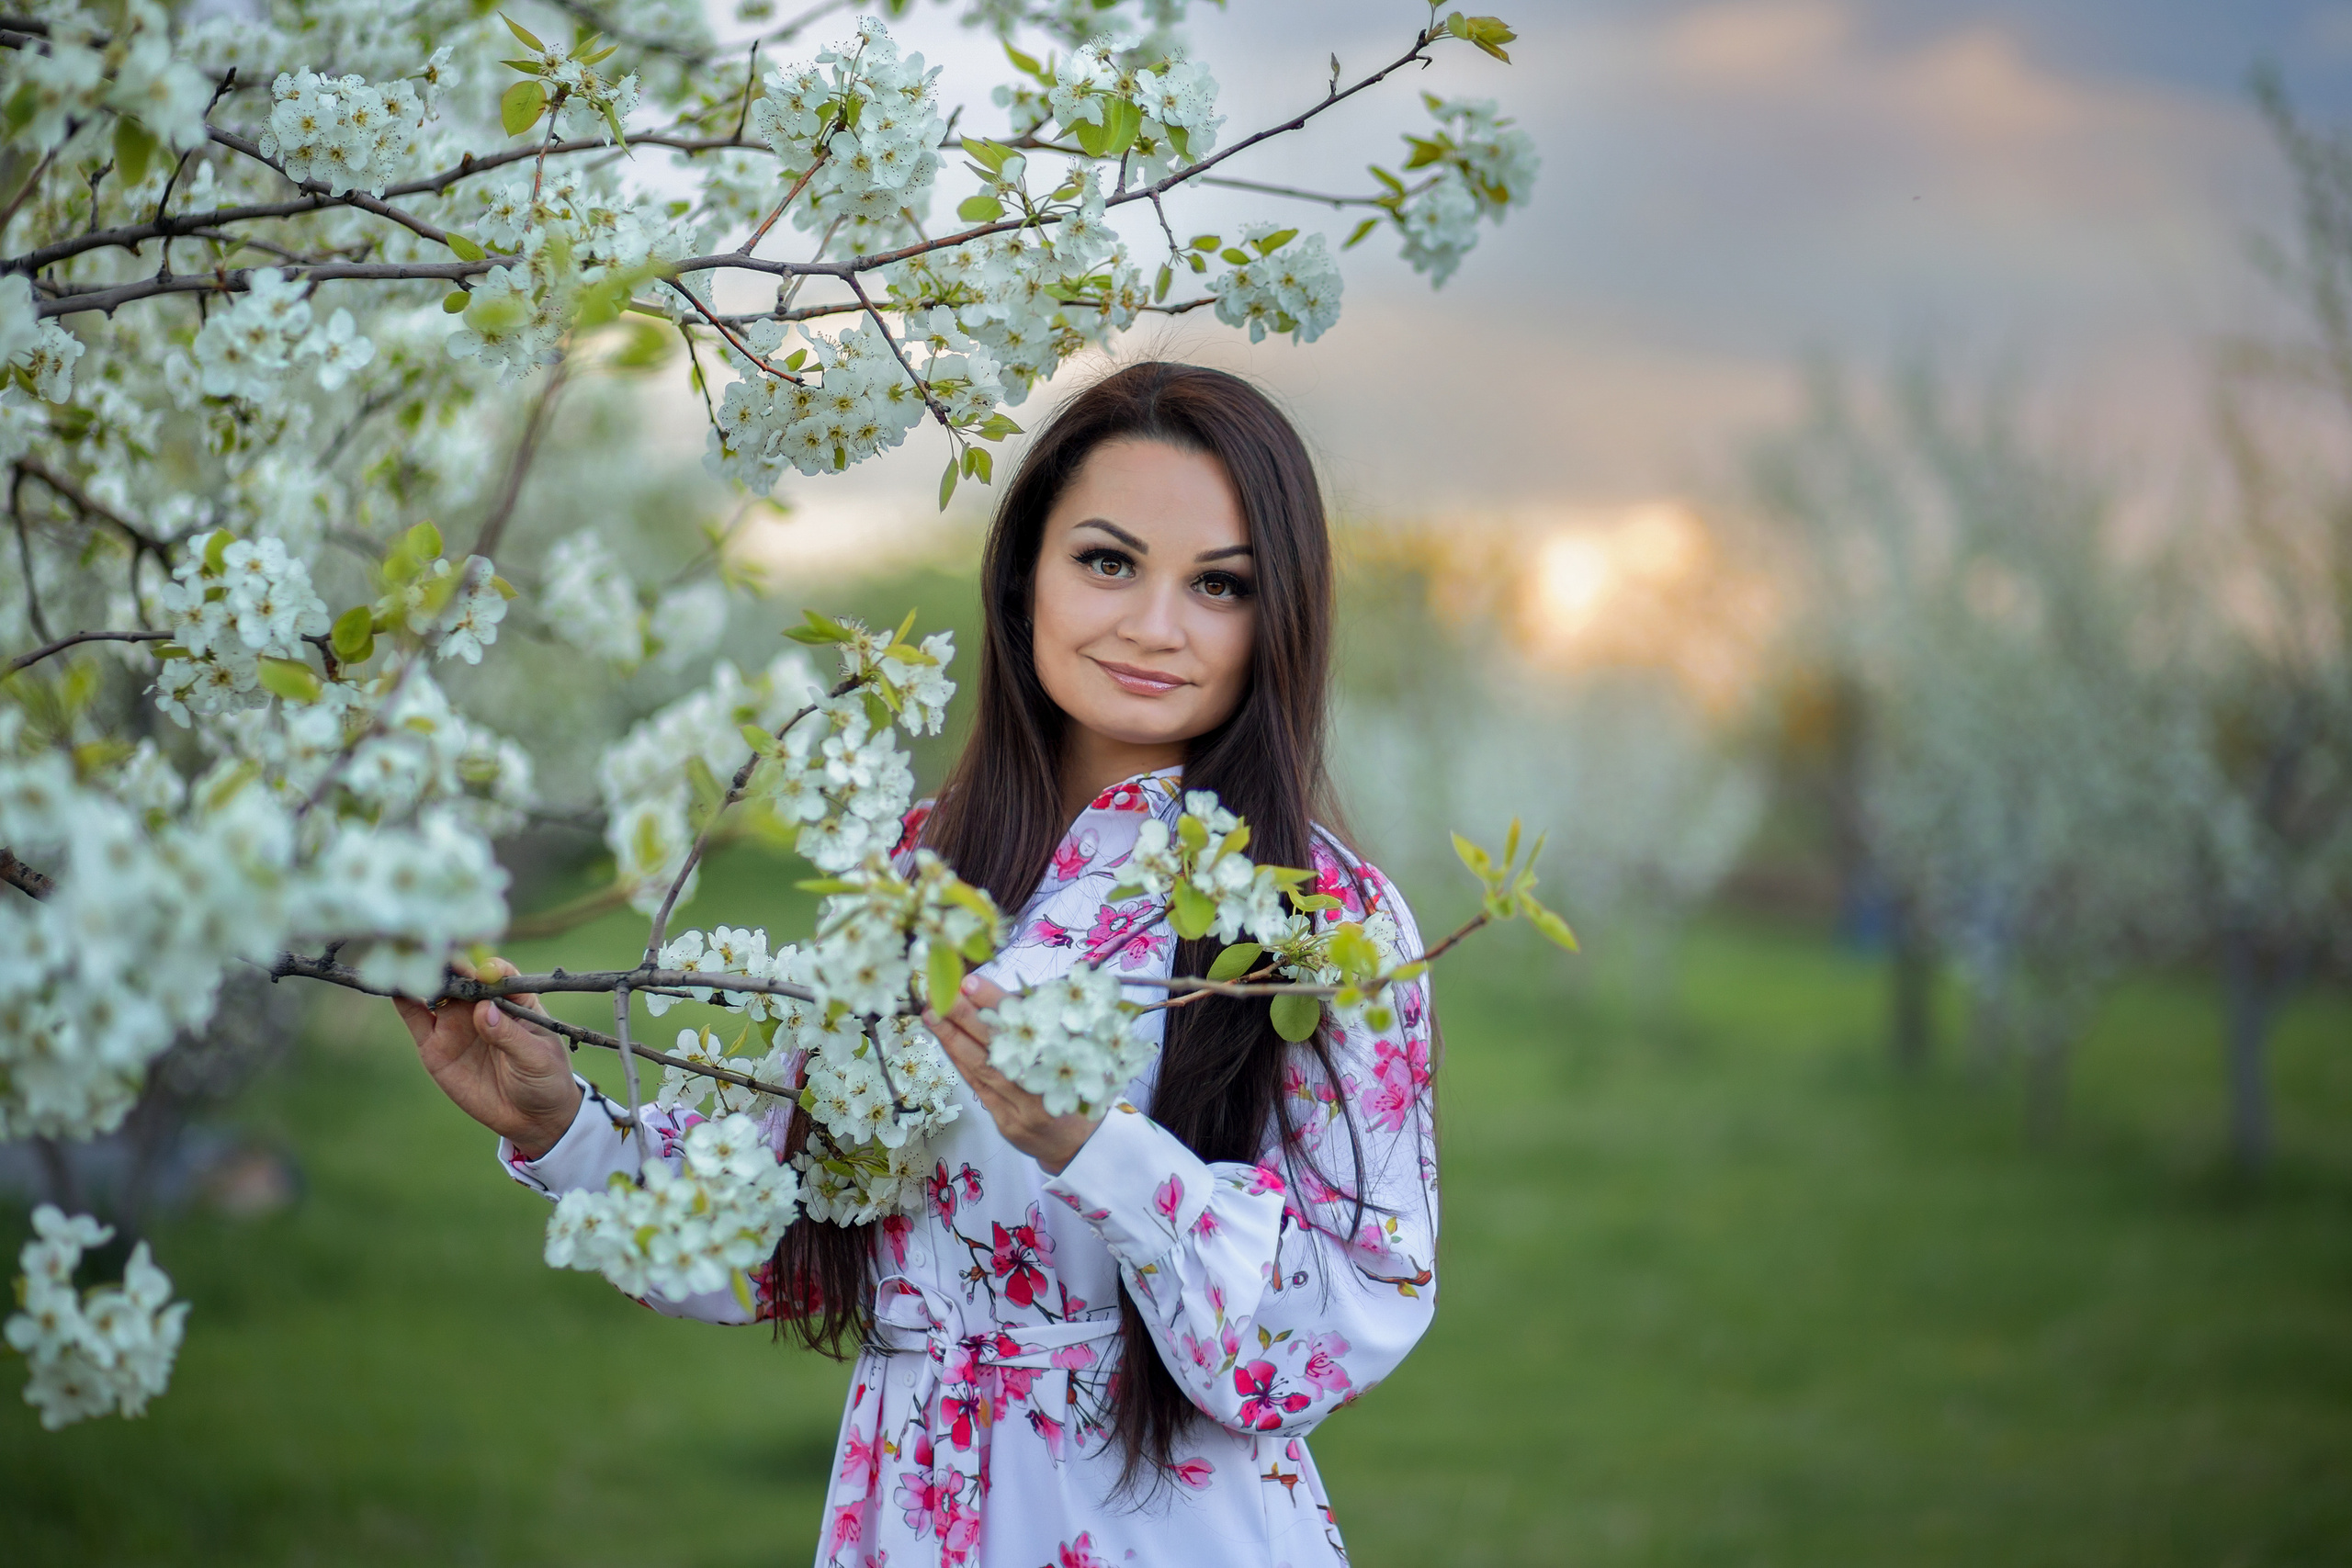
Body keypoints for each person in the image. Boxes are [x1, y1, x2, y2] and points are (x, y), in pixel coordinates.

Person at [396, 362, 1440, 1567]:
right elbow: (795, 1230)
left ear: (1279, 616)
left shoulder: (1321, 918)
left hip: (1161, 1527)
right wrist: (564, 1126)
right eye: (1109, 562)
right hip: (909, 1508)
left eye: (1220, 584)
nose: (1157, 624)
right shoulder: (919, 866)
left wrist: (1098, 1153)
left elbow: (1350, 1314)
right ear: (1023, 576)